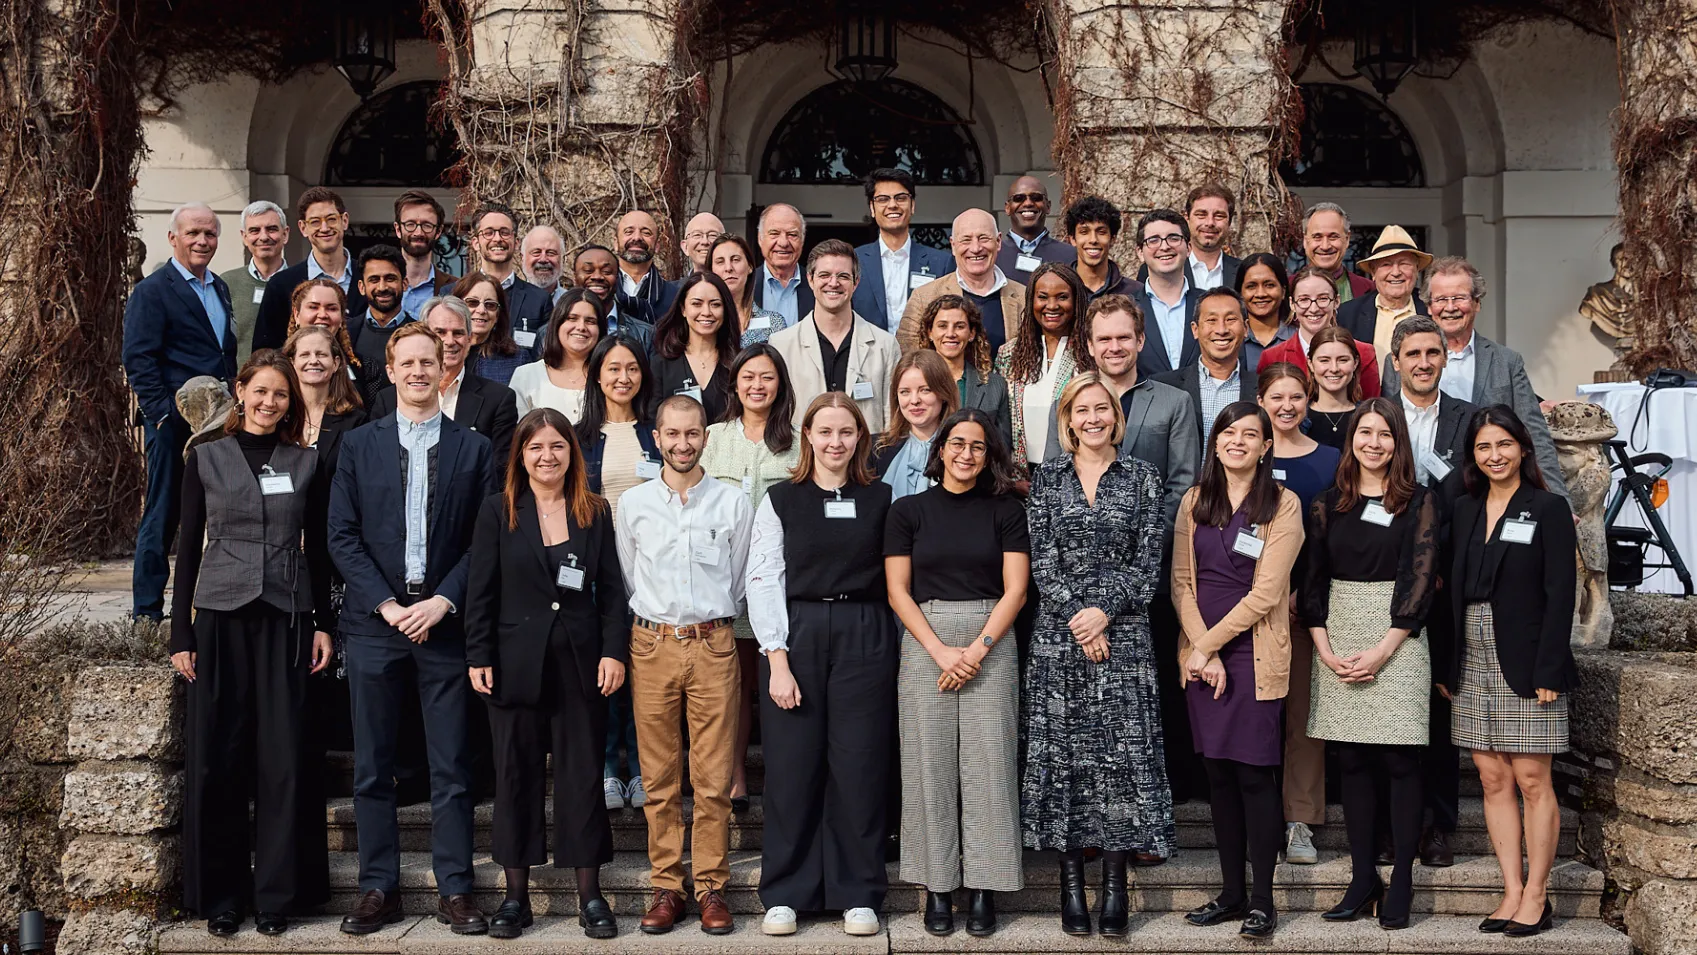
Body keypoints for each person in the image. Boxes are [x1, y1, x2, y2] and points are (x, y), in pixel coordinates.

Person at [329, 324, 495, 937]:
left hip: (444, 627)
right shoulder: (358, 445)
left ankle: (456, 888)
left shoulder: (474, 448)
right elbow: (340, 534)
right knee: (373, 767)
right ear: (393, 370)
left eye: (430, 361)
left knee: (451, 766)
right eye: (409, 363)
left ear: (445, 371)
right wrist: (387, 606)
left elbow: (485, 540)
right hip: (376, 626)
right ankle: (379, 887)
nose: (420, 371)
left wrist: (444, 601)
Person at [172, 351, 333, 938]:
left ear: (291, 403)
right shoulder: (204, 457)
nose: (270, 402)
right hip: (219, 616)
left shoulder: (307, 462)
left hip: (287, 618)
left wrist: (323, 624)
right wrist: (180, 630)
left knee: (283, 757)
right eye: (261, 391)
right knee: (221, 756)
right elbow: (189, 544)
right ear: (240, 392)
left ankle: (276, 895)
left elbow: (319, 549)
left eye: (281, 395)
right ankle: (222, 896)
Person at [465, 408, 628, 940]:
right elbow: (481, 590)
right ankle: (516, 898)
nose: (546, 456)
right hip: (513, 666)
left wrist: (613, 653)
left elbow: (612, 593)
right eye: (535, 447)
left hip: (581, 667)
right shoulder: (498, 510)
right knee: (515, 776)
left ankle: (590, 895)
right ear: (520, 455)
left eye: (557, 445)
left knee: (582, 777)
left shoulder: (594, 511)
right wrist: (478, 655)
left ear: (571, 453)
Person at [1022, 374, 1174, 939]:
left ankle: (1114, 887)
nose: (1092, 418)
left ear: (1116, 416)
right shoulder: (1048, 479)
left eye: (1101, 409)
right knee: (1064, 758)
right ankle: (1070, 885)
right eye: (1081, 410)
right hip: (1059, 639)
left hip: (1125, 636)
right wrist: (1080, 619)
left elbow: (1147, 565)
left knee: (1119, 761)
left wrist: (1103, 612)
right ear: (1068, 419)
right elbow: (1043, 564)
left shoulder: (1143, 477)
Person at [747, 393, 897, 938]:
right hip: (798, 634)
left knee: (859, 765)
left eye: (846, 432)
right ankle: (786, 893)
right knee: (792, 767)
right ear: (807, 435)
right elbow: (763, 578)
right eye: (826, 431)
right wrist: (777, 659)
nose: (836, 442)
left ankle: (859, 892)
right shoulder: (781, 499)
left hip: (865, 631)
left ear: (860, 438)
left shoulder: (882, 497)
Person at [885, 408, 1030, 938]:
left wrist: (976, 650)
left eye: (978, 446)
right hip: (926, 639)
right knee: (929, 765)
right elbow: (897, 590)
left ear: (989, 457)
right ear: (940, 450)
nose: (966, 454)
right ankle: (939, 886)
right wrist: (941, 652)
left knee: (990, 765)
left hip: (991, 637)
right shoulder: (907, 511)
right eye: (958, 443)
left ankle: (986, 887)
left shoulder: (1006, 510)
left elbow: (1017, 588)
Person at [616, 395, 754, 936]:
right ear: (657, 437)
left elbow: (738, 580)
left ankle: (711, 886)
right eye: (672, 434)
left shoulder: (733, 503)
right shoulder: (633, 504)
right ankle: (667, 886)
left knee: (714, 777)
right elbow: (630, 575)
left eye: (692, 433)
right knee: (659, 777)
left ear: (706, 437)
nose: (682, 443)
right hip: (652, 644)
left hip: (714, 643)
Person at [1440, 405, 1578, 940]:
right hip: (1472, 654)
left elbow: (1560, 594)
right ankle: (1512, 889)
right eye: (1483, 447)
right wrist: (1448, 663)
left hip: (1526, 657)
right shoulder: (1464, 509)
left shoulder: (1548, 508)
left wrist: (1550, 667)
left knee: (1532, 779)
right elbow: (1450, 592)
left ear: (1522, 448)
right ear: (1472, 456)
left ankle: (1538, 895)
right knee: (1492, 778)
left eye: (1503, 444)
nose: (1494, 455)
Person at [1302, 397, 1439, 931]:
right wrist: (1324, 648)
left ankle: (1401, 878)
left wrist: (1384, 649)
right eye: (1365, 433)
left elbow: (1421, 581)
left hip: (1398, 638)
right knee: (1353, 761)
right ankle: (1363, 879)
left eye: (1385, 434)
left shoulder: (1419, 501)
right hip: (1337, 635)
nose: (1374, 443)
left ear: (1397, 442)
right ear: (1351, 439)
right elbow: (1312, 581)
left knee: (1401, 760)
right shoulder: (1327, 503)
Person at [1172, 401, 1304, 940]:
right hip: (1202, 655)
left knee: (1253, 775)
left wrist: (1207, 649)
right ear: (1216, 441)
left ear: (1266, 446)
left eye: (1250, 434)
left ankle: (1262, 900)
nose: (1238, 441)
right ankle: (1230, 893)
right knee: (1219, 777)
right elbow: (1182, 582)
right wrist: (1202, 653)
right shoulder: (1194, 500)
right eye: (1228, 432)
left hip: (1254, 654)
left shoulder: (1284, 504)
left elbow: (1267, 594)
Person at [123, 202, 239, 624]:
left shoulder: (219, 287)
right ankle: (146, 612)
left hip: (218, 423)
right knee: (164, 512)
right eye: (193, 233)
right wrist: (161, 417)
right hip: (174, 425)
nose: (202, 241)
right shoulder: (153, 291)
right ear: (173, 238)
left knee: (211, 514)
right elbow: (138, 359)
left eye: (209, 233)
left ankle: (202, 607)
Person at [701, 343, 800, 811]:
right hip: (724, 579)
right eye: (748, 377)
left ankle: (783, 775)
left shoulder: (798, 441)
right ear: (734, 384)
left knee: (778, 677)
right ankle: (735, 773)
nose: (757, 386)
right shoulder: (713, 438)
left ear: (780, 385)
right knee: (734, 685)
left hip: (782, 581)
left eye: (767, 377)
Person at [1391, 257, 1568, 498]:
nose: (1450, 307)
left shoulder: (1507, 362)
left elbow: (1535, 435)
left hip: (1488, 494)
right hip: (1414, 494)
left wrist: (1561, 502)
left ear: (1477, 303)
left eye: (1459, 298)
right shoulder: (1402, 361)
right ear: (1429, 306)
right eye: (1441, 299)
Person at [1257, 363, 1339, 867]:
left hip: (1308, 609)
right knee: (1258, 718)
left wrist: (1303, 595)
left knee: (1305, 718)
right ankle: (1259, 817)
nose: (1286, 406)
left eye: (1295, 397)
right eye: (1276, 397)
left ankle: (1300, 821)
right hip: (1252, 608)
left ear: (1308, 401)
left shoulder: (1330, 460)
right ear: (1261, 401)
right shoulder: (1246, 453)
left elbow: (1335, 539)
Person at [574, 334, 659, 812]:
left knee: (645, 673)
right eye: (613, 368)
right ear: (597, 375)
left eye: (632, 368)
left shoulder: (656, 432)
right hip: (596, 570)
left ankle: (643, 767)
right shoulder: (579, 436)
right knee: (604, 670)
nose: (623, 378)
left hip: (650, 569)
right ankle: (609, 768)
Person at [370, 295, 520, 472]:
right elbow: (376, 463)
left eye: (458, 333)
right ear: (424, 337)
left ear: (470, 338)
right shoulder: (388, 399)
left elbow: (499, 470)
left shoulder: (498, 399)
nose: (449, 341)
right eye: (440, 332)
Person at [769, 239, 901, 431]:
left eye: (843, 276)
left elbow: (892, 422)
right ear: (810, 280)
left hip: (867, 450)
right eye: (824, 275)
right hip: (801, 450)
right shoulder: (781, 345)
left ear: (856, 282)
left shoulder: (885, 346)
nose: (833, 283)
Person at [899, 209, 1027, 355]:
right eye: (966, 240)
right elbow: (907, 355)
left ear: (998, 242)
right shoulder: (923, 297)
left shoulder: (1024, 297)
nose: (976, 248)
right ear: (953, 246)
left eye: (983, 238)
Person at [253, 187, 368, 351]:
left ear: (344, 221)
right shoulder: (281, 285)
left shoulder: (369, 278)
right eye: (315, 222)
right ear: (303, 228)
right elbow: (264, 352)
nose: (324, 228)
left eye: (331, 219)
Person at [995, 262, 1087, 465]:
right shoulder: (1009, 354)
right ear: (1031, 301)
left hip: (1073, 471)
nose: (1052, 306)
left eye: (1062, 297)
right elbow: (1000, 422)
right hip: (1017, 474)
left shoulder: (1089, 354)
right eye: (1043, 297)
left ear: (1076, 301)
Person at [1256, 266, 1382, 399]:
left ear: (1336, 301)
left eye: (1323, 298)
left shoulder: (1363, 353)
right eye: (1304, 300)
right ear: (1292, 304)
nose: (1314, 308)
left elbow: (1371, 405)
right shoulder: (1272, 357)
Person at [852, 168, 952, 333]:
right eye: (883, 199)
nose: (892, 205)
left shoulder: (942, 263)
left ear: (912, 205)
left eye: (901, 198)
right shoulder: (853, 261)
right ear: (872, 208)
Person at [1155, 288, 1257, 448]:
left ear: (1245, 328)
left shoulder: (1263, 389)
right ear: (1195, 329)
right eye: (1211, 320)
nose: (1221, 330)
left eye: (1230, 319)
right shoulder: (1164, 388)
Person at [917, 294, 1012, 444]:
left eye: (959, 326)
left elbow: (1002, 447)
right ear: (930, 332)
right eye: (942, 326)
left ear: (971, 333)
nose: (950, 334)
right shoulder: (913, 381)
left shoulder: (995, 385)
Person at [651, 271, 740, 423]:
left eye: (715, 304)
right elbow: (652, 420)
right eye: (697, 304)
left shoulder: (739, 363)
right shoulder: (661, 364)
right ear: (683, 309)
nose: (706, 312)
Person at [1336, 225, 1433, 362]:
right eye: (1386, 264)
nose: (1396, 272)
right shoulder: (1348, 315)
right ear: (1373, 272)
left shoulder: (1433, 310)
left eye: (1404, 264)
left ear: (1417, 270)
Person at [509, 288, 607, 421]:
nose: (581, 327)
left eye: (590, 321)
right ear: (557, 324)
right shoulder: (526, 375)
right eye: (572, 318)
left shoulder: (610, 376)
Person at [872, 350, 960, 496]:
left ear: (944, 393)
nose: (914, 400)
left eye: (925, 390)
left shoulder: (961, 451)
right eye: (905, 392)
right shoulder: (876, 449)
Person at [1133, 209, 1206, 378]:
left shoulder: (1210, 304)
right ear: (1140, 252)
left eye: (1173, 238)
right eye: (1153, 240)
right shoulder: (1126, 309)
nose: (1165, 247)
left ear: (1188, 248)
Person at [469, 203, 550, 344]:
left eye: (505, 232)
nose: (497, 239)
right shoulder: (454, 294)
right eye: (488, 233)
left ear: (516, 243)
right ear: (476, 243)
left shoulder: (539, 300)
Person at [221, 200, 289, 365]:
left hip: (289, 379)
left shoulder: (301, 283)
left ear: (285, 234)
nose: (263, 237)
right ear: (244, 237)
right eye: (254, 230)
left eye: (271, 229)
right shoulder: (226, 283)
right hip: (239, 379)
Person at [346, 245, 412, 406]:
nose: (382, 287)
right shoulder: (346, 332)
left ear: (404, 284)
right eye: (374, 280)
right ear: (362, 287)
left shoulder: (421, 334)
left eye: (390, 279)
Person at [709, 233, 791, 346]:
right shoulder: (705, 321)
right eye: (720, 262)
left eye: (735, 260)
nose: (728, 268)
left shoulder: (773, 322)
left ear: (750, 267)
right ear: (711, 270)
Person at [995, 174, 1077, 286]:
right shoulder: (994, 255)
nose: (1028, 203)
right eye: (1018, 198)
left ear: (1048, 206)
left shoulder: (1070, 255)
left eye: (1036, 197)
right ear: (1007, 208)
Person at [574, 244, 656, 355]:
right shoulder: (556, 330)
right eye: (588, 270)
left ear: (618, 278)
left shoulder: (645, 334)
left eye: (607, 271)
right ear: (575, 277)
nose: (597, 277)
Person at [1062, 196, 1142, 306]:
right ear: (1072, 239)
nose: (1093, 240)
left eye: (1101, 232)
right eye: (1084, 232)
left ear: (1113, 239)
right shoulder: (1059, 289)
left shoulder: (1135, 292)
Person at [613, 209, 681, 333]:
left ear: (657, 245)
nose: (637, 237)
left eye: (646, 233)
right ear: (616, 243)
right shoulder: (602, 291)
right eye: (629, 232)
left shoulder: (674, 297)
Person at [393, 190, 458, 318]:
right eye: (410, 224)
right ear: (398, 229)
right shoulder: (378, 285)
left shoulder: (455, 288)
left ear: (438, 231)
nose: (418, 233)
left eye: (427, 225)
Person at [455, 271, 528, 384]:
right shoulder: (440, 353)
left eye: (490, 305)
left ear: (498, 315)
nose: (481, 310)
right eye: (472, 302)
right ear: (456, 307)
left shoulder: (518, 359)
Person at [1304, 325, 1368, 449]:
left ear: (1355, 363)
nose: (1334, 369)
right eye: (1324, 360)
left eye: (1342, 360)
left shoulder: (1369, 416)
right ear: (1310, 364)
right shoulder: (1298, 418)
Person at [752, 203, 813, 324]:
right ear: (760, 238)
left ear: (802, 240)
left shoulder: (817, 287)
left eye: (792, 235)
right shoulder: (744, 286)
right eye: (774, 233)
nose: (783, 243)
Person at [1300, 202, 1373, 303]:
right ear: (1305, 240)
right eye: (1317, 237)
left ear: (1347, 239)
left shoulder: (1371, 290)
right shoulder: (1286, 290)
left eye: (1333, 237)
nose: (1325, 246)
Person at [1236, 253, 1295, 371]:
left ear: (1283, 291)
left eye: (1269, 285)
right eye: (1251, 286)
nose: (1261, 294)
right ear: (1240, 293)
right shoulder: (1232, 339)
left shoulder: (1298, 338)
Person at [520, 225, 566, 299]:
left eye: (551, 253)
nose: (543, 259)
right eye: (536, 252)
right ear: (522, 258)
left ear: (562, 259)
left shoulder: (573, 303)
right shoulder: (509, 301)